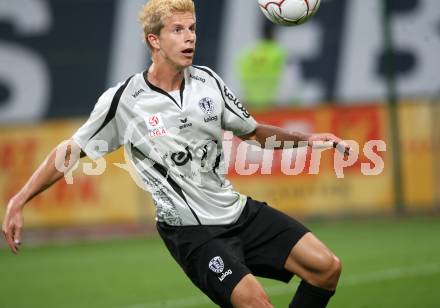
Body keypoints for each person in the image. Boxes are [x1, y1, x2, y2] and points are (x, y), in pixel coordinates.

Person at [2, 1, 349, 307]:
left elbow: (255, 133)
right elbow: (70, 151)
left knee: (326, 268)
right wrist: (19, 200)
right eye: (178, 30)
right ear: (155, 40)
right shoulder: (125, 100)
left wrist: (312, 140)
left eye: (193, 29)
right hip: (193, 233)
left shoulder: (209, 82)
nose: (190, 38)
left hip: (236, 211)